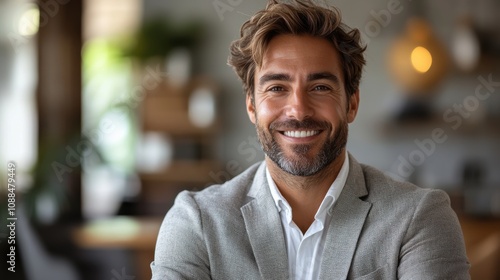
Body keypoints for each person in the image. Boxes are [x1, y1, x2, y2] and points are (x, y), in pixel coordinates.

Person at [151, 0, 470, 279]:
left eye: (320, 87)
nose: (299, 110)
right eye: (277, 88)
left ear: (352, 104)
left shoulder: (421, 217)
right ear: (251, 105)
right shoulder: (196, 222)